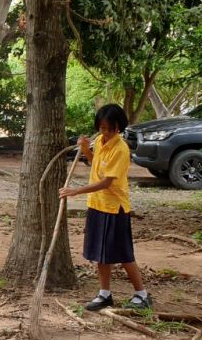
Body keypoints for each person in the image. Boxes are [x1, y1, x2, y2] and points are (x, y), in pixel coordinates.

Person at [59, 104, 150, 311]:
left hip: (114, 207)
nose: (106, 132)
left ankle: (142, 294)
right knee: (100, 253)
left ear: (119, 127)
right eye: (102, 128)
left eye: (111, 128)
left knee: (123, 252)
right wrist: (85, 149)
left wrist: (76, 191)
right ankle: (104, 294)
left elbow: (107, 181)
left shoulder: (121, 149)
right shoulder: (100, 142)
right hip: (97, 204)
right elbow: (97, 165)